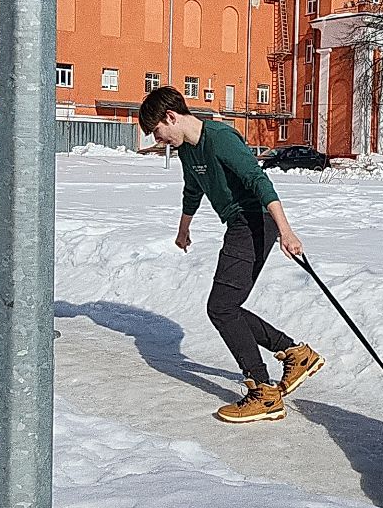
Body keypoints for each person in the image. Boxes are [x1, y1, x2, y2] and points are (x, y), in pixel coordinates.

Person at [138, 86, 324, 424]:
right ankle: (297, 355)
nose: (158, 138)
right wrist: (184, 228)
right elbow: (192, 189)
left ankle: (263, 391)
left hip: (255, 220)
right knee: (228, 306)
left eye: (158, 130)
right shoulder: (188, 152)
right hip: (239, 224)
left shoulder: (221, 138)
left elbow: (258, 181)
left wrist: (286, 231)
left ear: (171, 117)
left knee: (221, 307)